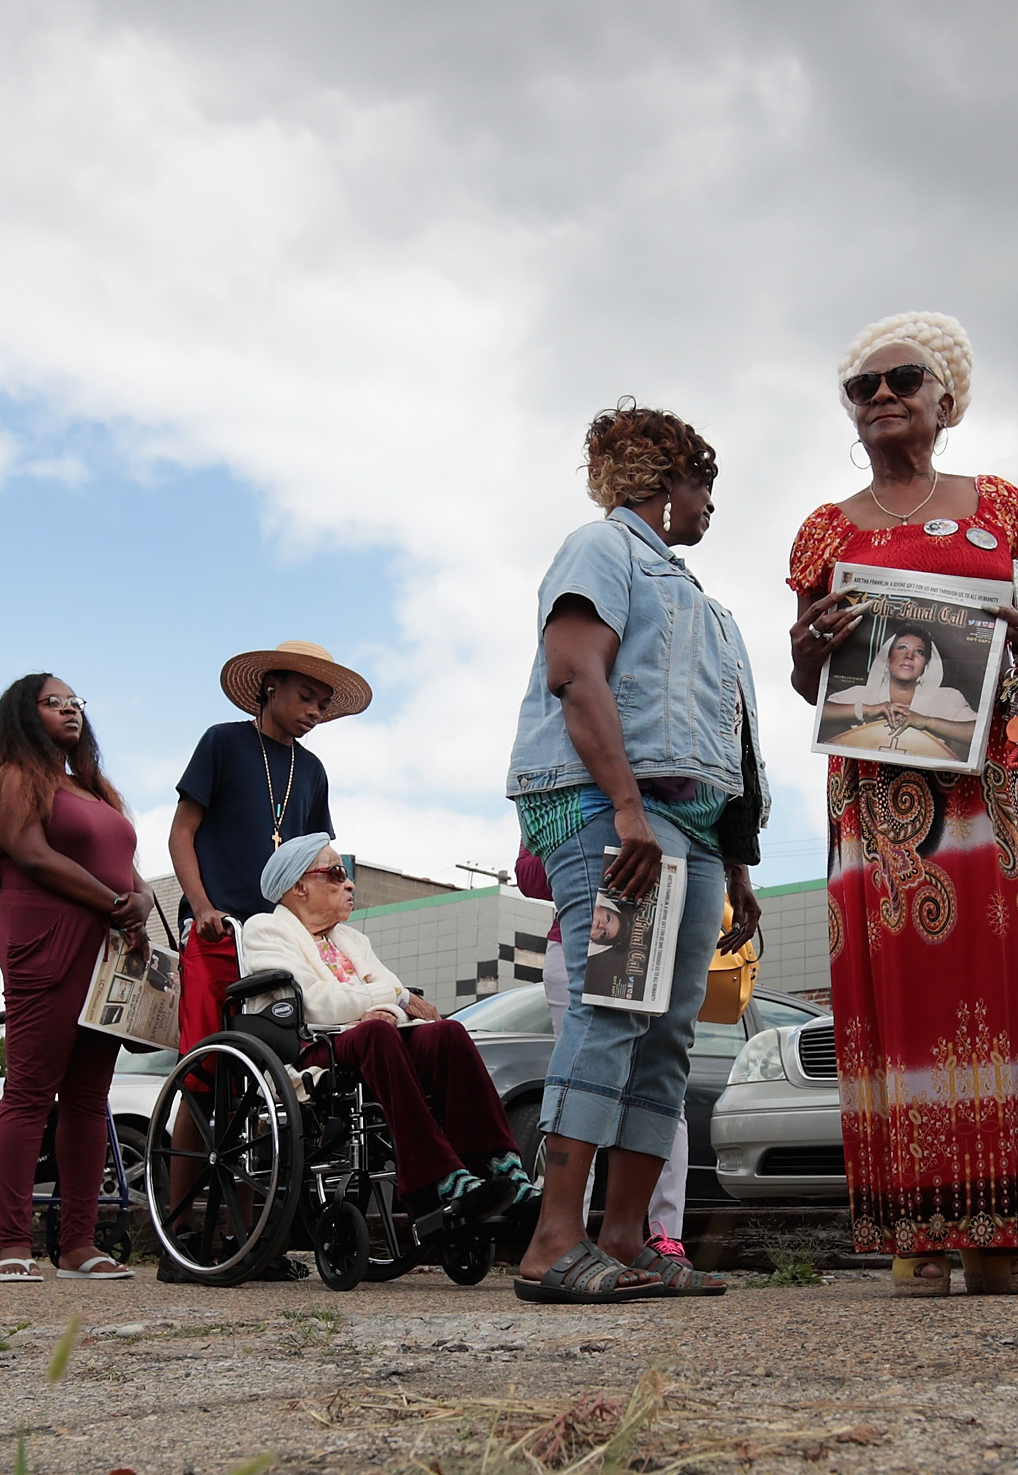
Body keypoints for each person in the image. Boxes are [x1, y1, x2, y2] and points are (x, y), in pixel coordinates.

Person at [788, 313, 1018, 1296]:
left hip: (993, 787)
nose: (880, 398)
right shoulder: (827, 530)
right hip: (882, 799)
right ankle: (918, 1231)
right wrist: (809, 648)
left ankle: (1006, 1228)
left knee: (1006, 990)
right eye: (861, 388)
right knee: (904, 1000)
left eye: (900, 379)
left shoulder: (1003, 507)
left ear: (944, 398)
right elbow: (805, 675)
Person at [509, 402, 763, 1304]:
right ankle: (551, 1242)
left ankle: (624, 1237)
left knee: (667, 1032)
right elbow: (576, 672)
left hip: (685, 830)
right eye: (704, 485)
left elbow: (725, 743)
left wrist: (737, 867)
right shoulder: (601, 550)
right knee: (613, 1006)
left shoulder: (702, 601)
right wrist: (625, 809)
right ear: (668, 479)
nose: (708, 507)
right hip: (609, 812)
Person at [239, 836, 535, 1226]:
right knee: (376, 1034)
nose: (350, 884)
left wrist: (385, 1004)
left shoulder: (351, 939)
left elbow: (393, 1003)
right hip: (310, 1046)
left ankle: (496, 1167)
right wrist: (391, 998)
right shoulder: (265, 930)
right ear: (299, 887)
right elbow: (317, 1003)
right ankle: (435, 1180)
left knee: (448, 1032)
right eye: (336, 872)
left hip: (372, 1038)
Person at [0, 673, 139, 1283]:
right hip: (50, 938)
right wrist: (115, 900)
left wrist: (138, 899)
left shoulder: (93, 786)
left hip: (108, 944)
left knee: (90, 1098)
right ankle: (13, 1244)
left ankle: (78, 1246)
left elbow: (126, 863)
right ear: (22, 713)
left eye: (75, 702)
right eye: (53, 702)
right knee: (32, 1090)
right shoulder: (13, 774)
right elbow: (29, 851)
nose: (70, 710)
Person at [167, 640, 360, 1054]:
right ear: (271, 686)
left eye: (323, 706)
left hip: (280, 938)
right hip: (218, 928)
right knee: (207, 1061)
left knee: (278, 1060)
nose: (314, 712)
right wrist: (201, 907)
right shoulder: (222, 742)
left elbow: (316, 860)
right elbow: (181, 833)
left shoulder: (311, 770)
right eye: (306, 697)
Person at [822, 629, 981, 760]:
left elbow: (978, 734)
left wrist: (927, 722)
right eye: (902, 648)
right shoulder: (861, 693)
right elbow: (821, 713)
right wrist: (867, 710)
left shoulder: (947, 698)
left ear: (925, 665)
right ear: (888, 659)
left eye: (919, 651)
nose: (909, 656)